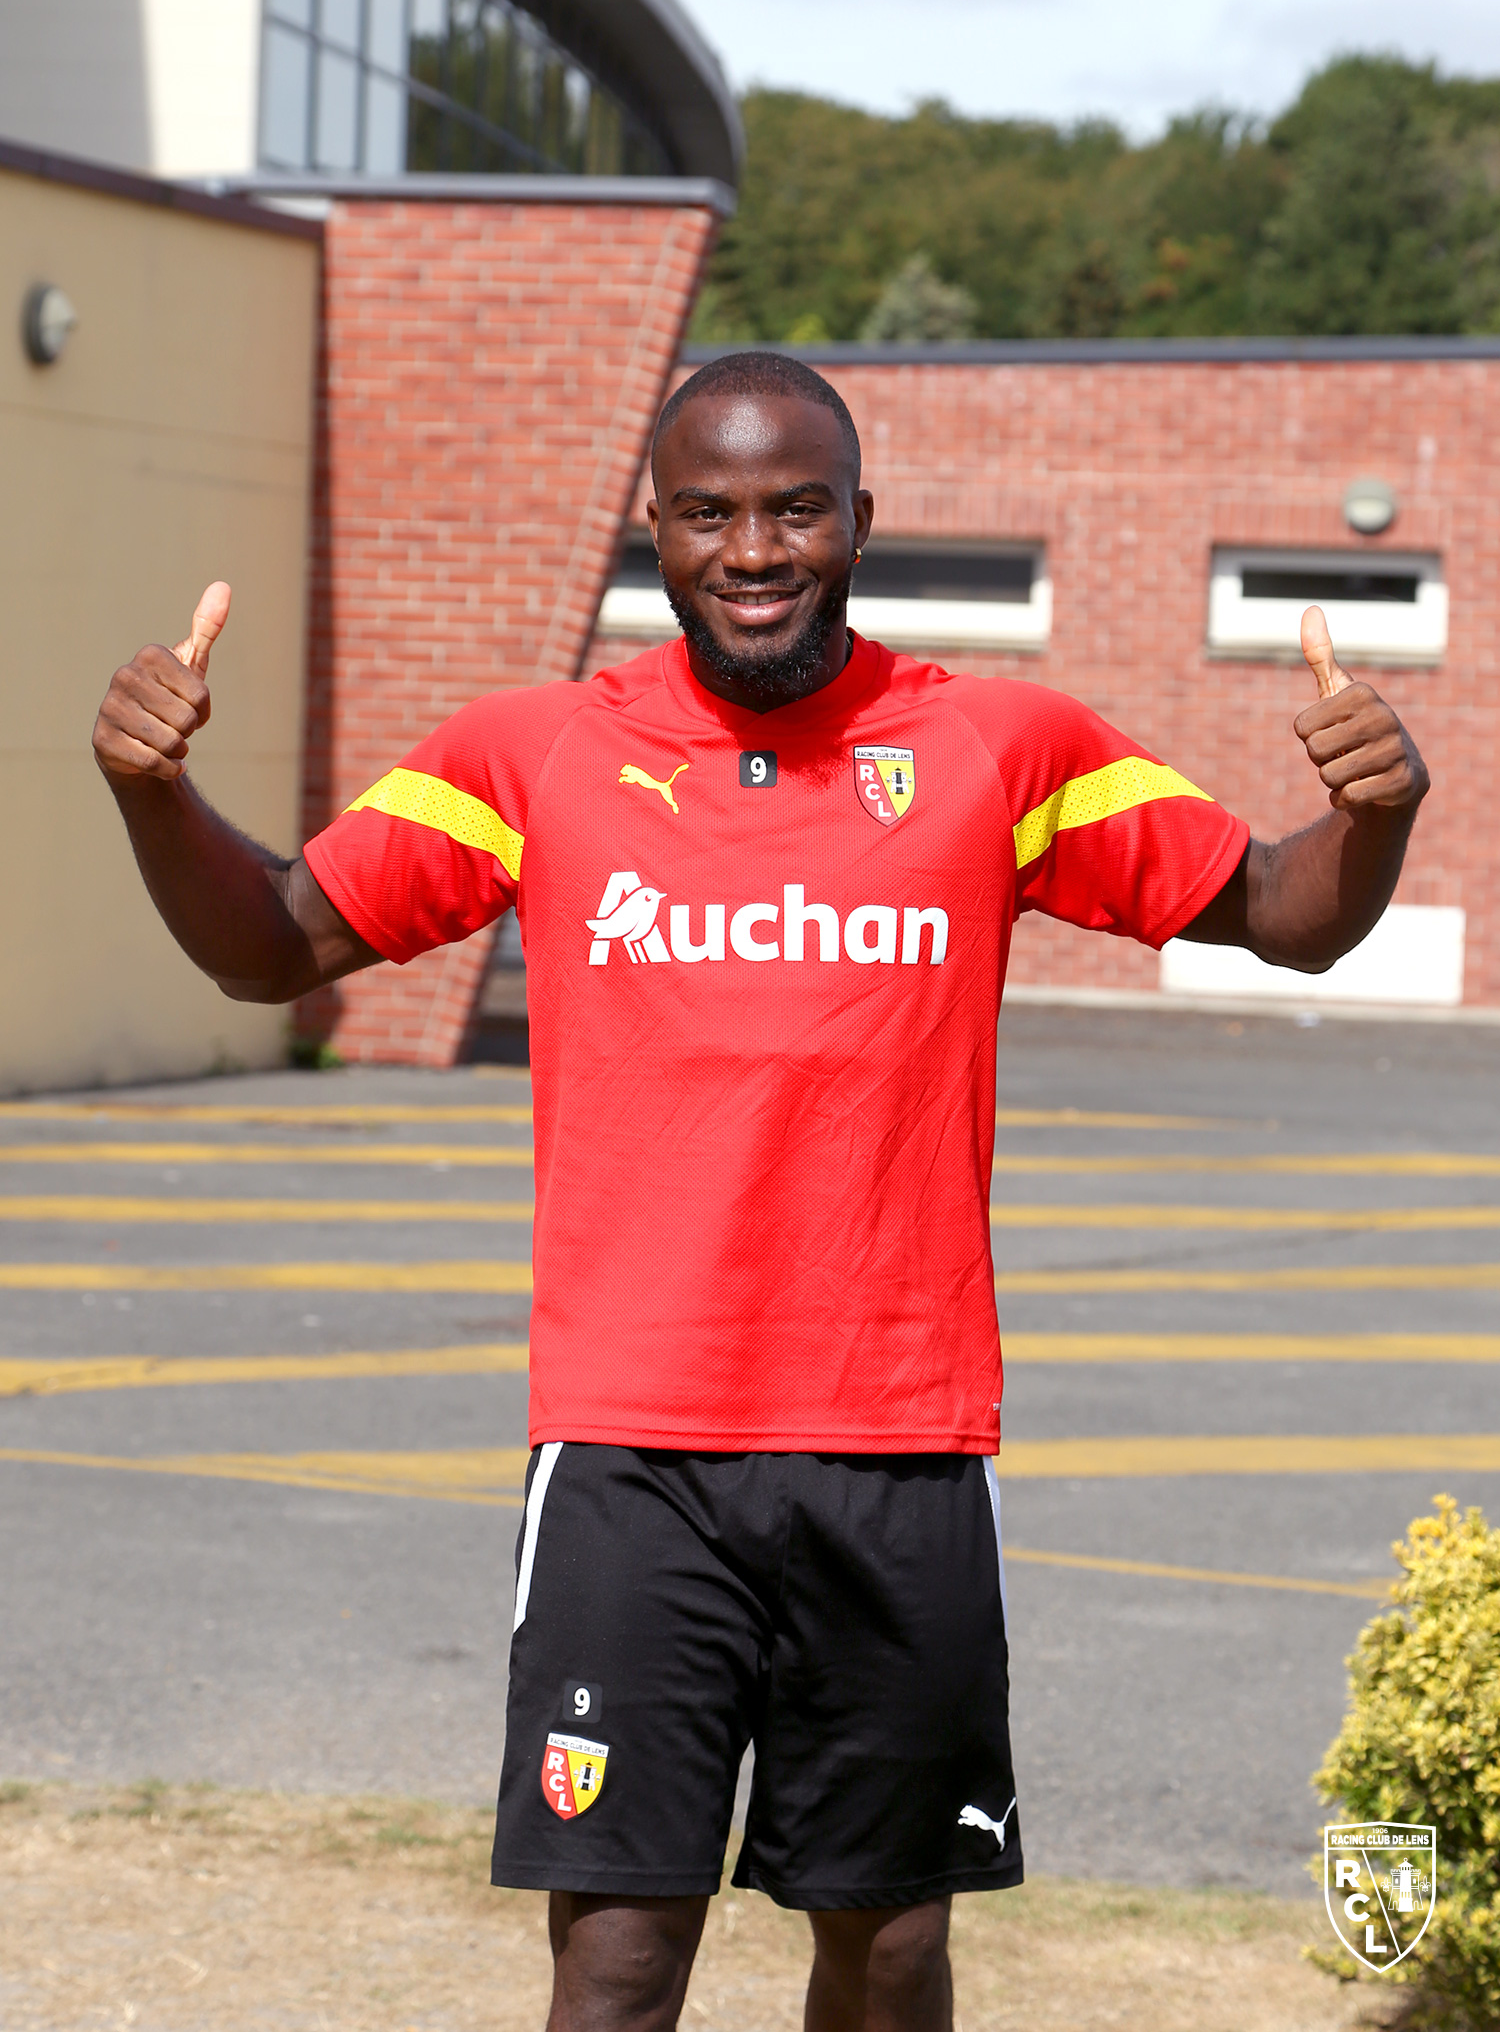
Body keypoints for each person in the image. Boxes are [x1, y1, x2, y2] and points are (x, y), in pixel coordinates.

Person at [92, 351, 1428, 2032]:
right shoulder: (538, 752)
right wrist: (155, 795)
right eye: (710, 510)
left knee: (891, 1950)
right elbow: (273, 940)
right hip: (629, 1456)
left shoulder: (999, 744)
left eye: (797, 505)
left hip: (903, 1446)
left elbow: (1284, 907)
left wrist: (1372, 818)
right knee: (620, 1951)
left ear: (861, 519)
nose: (755, 546)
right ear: (654, 527)